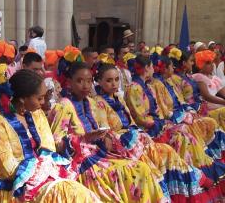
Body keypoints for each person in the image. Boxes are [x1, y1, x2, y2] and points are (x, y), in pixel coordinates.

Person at [125, 55, 225, 197]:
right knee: (184, 135)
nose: (153, 70)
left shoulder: (147, 86)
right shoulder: (134, 88)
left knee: (188, 132)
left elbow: (163, 110)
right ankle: (196, 179)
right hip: (149, 130)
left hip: (161, 123)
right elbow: (142, 118)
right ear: (146, 68)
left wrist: (172, 119)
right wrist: (167, 122)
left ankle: (207, 170)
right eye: (151, 67)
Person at [50, 61, 168, 202]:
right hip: (83, 162)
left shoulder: (91, 103)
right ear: (69, 82)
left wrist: (105, 137)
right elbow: (56, 143)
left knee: (142, 167)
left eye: (89, 81)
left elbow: (104, 128)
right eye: (79, 81)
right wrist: (83, 138)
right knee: (135, 171)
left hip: (101, 153)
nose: (85, 86)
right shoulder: (63, 106)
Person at [94, 63, 213, 202]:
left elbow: (132, 122)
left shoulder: (118, 98)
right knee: (163, 150)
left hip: (136, 137)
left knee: (168, 149)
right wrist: (135, 135)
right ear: (99, 81)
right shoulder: (98, 102)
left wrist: (138, 133)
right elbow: (106, 131)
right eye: (108, 80)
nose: (114, 84)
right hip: (122, 146)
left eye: (116, 79)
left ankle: (187, 188)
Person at [0, 69, 100, 202]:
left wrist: (80, 140)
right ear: (22, 99)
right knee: (65, 194)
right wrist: (41, 177)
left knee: (74, 192)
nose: (43, 102)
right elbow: (8, 168)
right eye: (39, 98)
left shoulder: (37, 114)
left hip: (44, 177)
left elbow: (49, 149)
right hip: (15, 188)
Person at [152, 50, 225, 181]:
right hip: (184, 114)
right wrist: (187, 113)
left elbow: (181, 101)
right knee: (218, 117)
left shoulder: (181, 79)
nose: (193, 63)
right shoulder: (170, 81)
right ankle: (211, 169)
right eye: (191, 61)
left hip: (193, 109)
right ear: (183, 63)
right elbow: (166, 109)